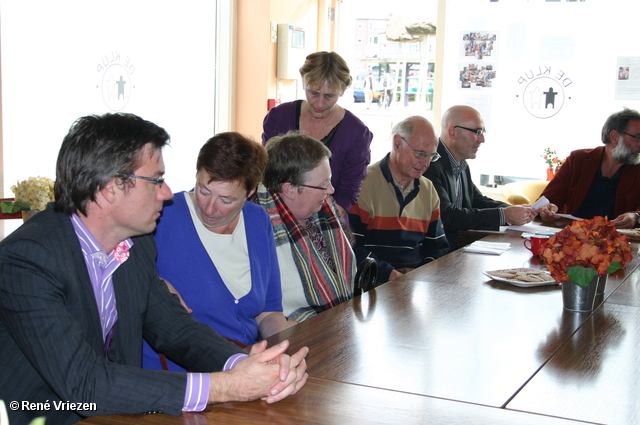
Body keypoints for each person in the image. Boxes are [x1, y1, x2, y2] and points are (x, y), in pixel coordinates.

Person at [0, 113, 308, 425]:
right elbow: (85, 384)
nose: (166, 193)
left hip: (119, 411)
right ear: (110, 188)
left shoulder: (137, 244)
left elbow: (176, 329)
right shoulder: (27, 260)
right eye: (156, 180)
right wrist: (228, 386)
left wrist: (243, 364)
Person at [142, 132, 293, 372]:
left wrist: (286, 348)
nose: (210, 207)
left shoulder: (257, 221)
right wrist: (152, 282)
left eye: (226, 199)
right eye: (203, 190)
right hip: (180, 376)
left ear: (250, 192)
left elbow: (268, 312)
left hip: (246, 366)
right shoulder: (160, 216)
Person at [256, 131, 356, 323]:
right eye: (324, 184)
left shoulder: (325, 212)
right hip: (294, 330)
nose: (331, 190)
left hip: (340, 320)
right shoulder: (259, 227)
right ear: (290, 189)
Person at [261, 51, 373, 216]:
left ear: (342, 90)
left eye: (329, 96)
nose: (320, 103)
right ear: (304, 83)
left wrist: (319, 226)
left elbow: (346, 194)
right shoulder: (279, 117)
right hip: (275, 212)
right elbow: (266, 171)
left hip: (327, 217)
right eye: (313, 93)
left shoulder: (356, 133)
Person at [349, 116, 450, 283]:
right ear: (397, 143)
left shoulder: (428, 189)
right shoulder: (362, 184)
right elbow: (351, 248)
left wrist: (421, 277)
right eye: (420, 154)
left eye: (431, 156)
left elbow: (438, 247)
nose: (425, 163)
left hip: (415, 284)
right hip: (372, 284)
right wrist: (390, 275)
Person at [423, 105, 533, 251]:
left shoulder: (460, 163)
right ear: (453, 132)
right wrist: (504, 215)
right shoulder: (430, 163)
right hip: (437, 255)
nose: (482, 139)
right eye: (477, 132)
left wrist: (518, 211)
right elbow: (447, 217)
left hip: (458, 249)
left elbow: (476, 201)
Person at [537, 108, 640, 228]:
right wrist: (547, 210)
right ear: (615, 137)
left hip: (615, 238)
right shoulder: (578, 160)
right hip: (573, 235)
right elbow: (548, 200)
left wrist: (636, 217)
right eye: (637, 138)